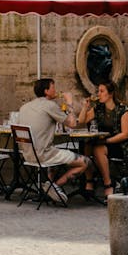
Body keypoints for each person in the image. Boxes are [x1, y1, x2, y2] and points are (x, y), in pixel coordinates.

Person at [18, 77, 93, 206]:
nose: (56, 90)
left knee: (54, 150)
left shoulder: (24, 107)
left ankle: (49, 185)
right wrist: (69, 102)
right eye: (53, 87)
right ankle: (54, 186)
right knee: (86, 162)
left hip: (27, 155)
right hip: (43, 155)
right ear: (46, 91)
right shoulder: (50, 105)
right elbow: (73, 124)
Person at [77, 80, 128, 200]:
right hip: (102, 142)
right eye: (98, 91)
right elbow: (81, 122)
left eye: (102, 91)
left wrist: (107, 141)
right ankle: (89, 180)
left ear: (111, 94)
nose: (99, 94)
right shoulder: (98, 108)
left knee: (98, 149)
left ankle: (108, 184)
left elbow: (125, 134)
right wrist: (84, 107)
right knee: (85, 145)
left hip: (120, 145)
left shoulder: (123, 110)